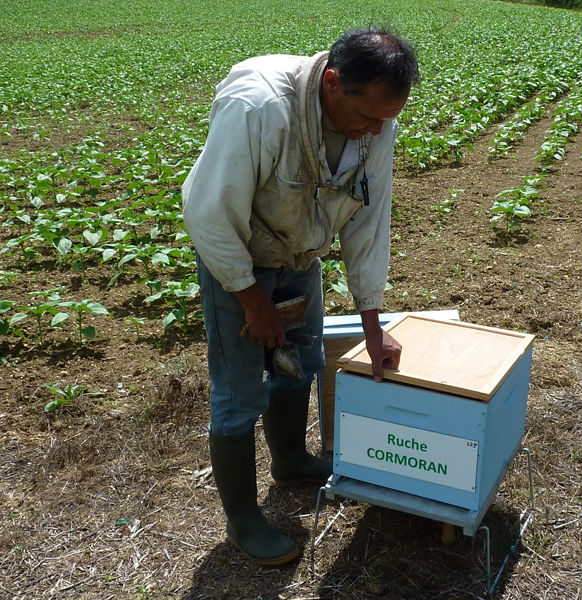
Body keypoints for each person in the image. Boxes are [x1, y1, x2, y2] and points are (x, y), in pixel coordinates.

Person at [181, 28, 419, 566]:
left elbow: (368, 222)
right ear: (332, 82)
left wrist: (373, 326)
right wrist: (252, 300)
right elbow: (208, 212)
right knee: (240, 390)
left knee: (301, 363)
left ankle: (289, 460)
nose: (376, 130)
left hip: (300, 255)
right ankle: (242, 518)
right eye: (368, 117)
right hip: (237, 259)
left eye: (386, 120)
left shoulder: (377, 124)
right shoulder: (259, 106)